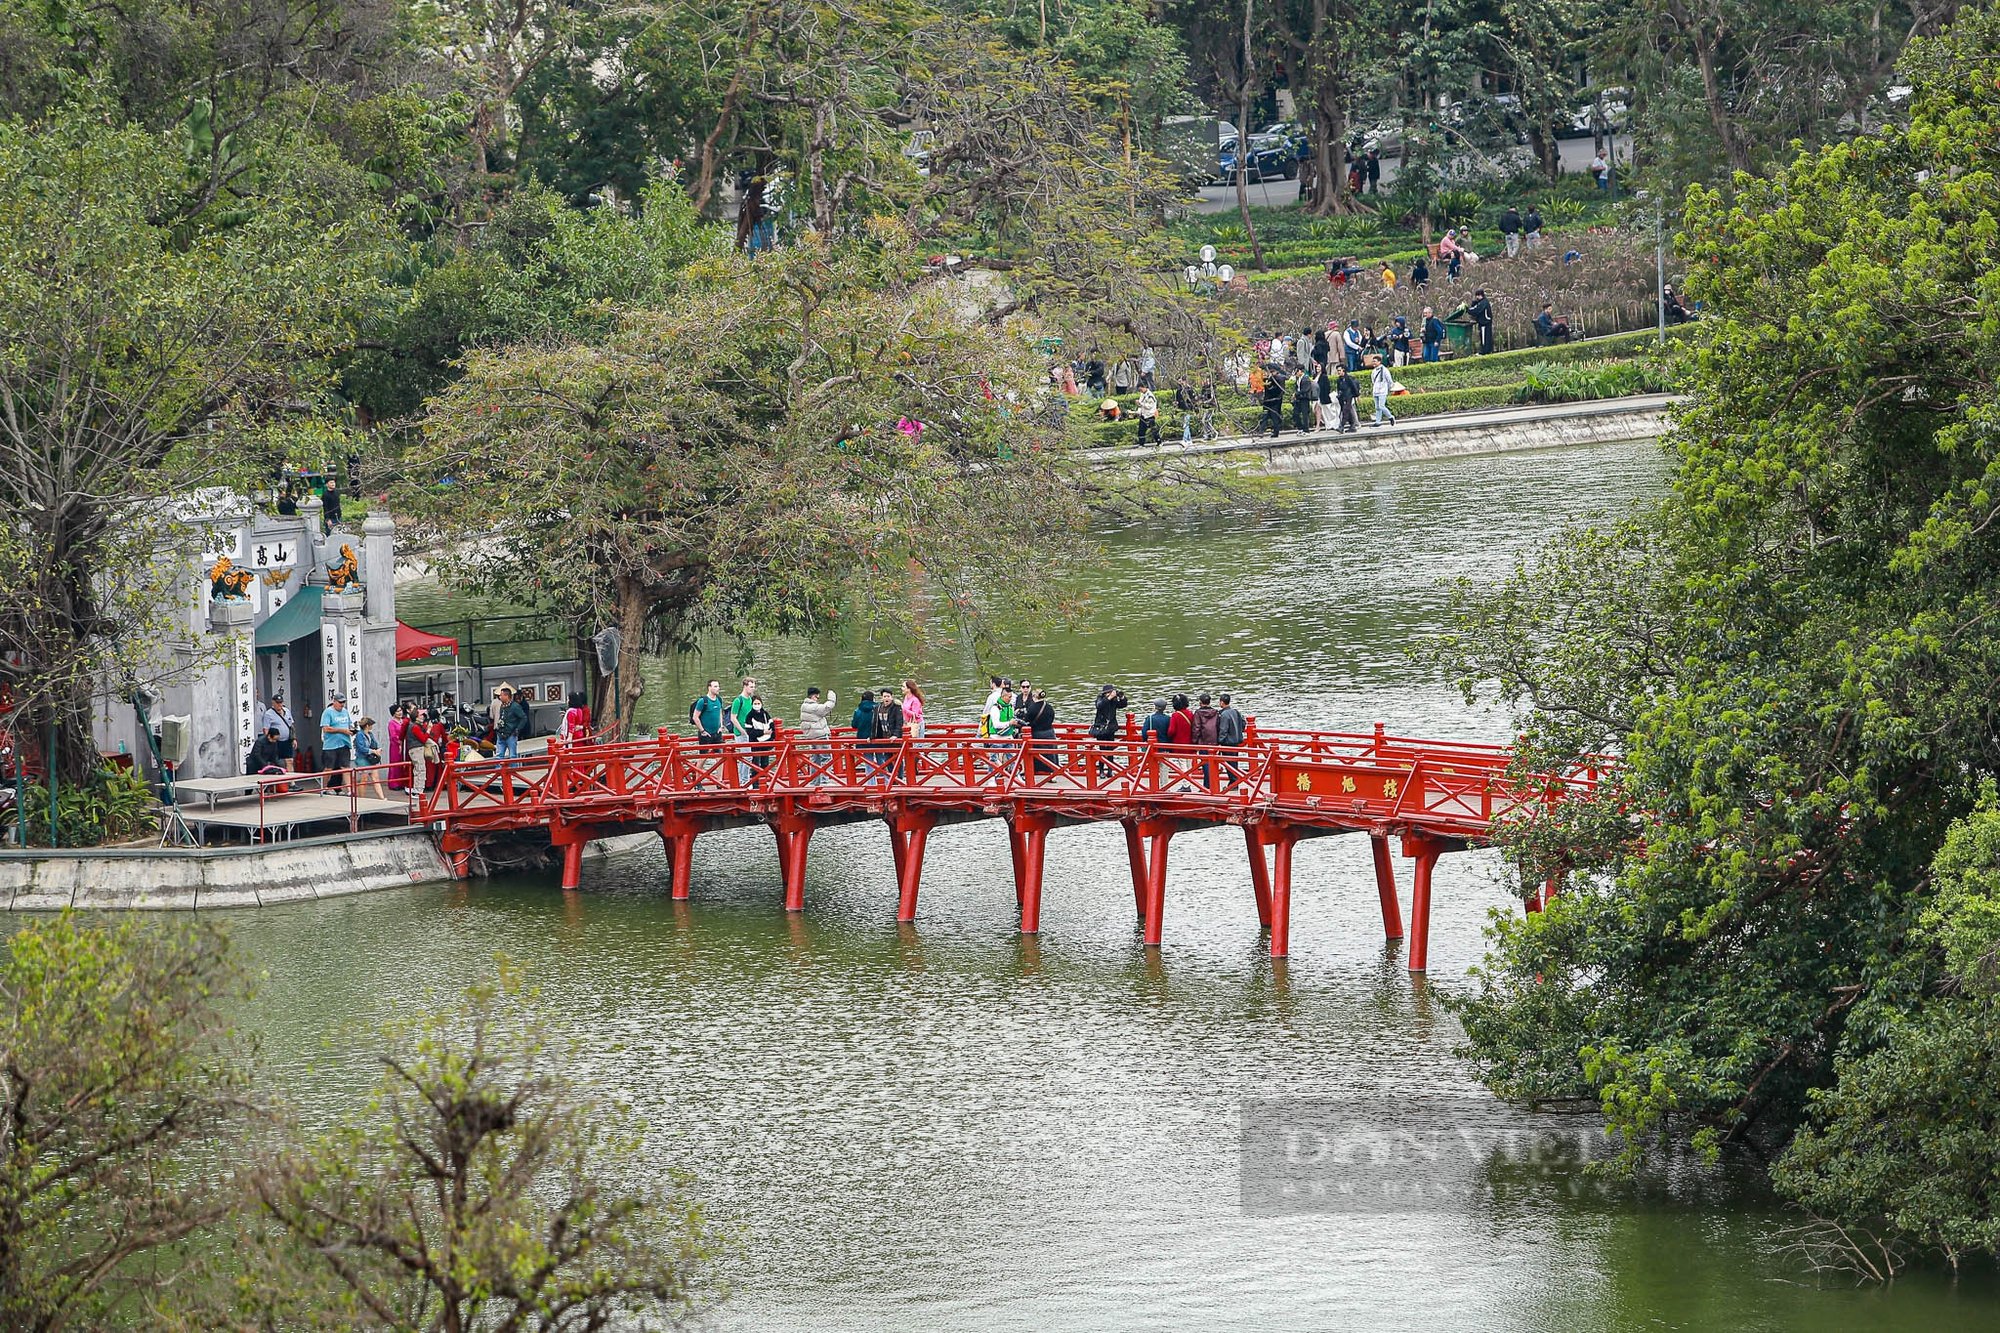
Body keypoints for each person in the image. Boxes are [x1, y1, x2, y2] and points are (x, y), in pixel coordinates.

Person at [1089, 684, 1129, 779]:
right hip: (1101, 728)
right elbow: (1099, 706)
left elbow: (1123, 705)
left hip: (1110, 728)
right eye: (1109, 692)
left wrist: (1122, 697)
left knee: (1110, 750)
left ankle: (1110, 770)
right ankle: (1101, 771)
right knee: (1102, 750)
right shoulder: (1100, 699)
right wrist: (1109, 698)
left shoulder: (1114, 700)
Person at [798, 686, 836, 784]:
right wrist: (832, 698)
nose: (817, 700)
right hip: (820, 735)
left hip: (811, 736)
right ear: (814, 696)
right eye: (817, 697)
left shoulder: (803, 706)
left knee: (815, 759)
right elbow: (826, 707)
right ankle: (825, 781)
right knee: (826, 758)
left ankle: (814, 781)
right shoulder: (813, 707)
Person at [1017, 687, 1057, 776]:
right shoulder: (1049, 707)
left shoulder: (1032, 708)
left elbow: (1027, 721)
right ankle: (1052, 772)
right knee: (1051, 754)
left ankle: (1035, 771)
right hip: (1050, 732)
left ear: (1034, 696)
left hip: (1037, 733)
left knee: (1038, 753)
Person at [319, 690, 354, 789]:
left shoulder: (345, 711)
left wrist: (351, 730)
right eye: (340, 702)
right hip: (331, 745)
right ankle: (324, 788)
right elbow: (326, 728)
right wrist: (342, 730)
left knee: (345, 767)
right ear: (334, 701)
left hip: (344, 743)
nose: (342, 704)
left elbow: (349, 724)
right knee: (329, 768)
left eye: (343, 702)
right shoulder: (328, 712)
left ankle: (349, 789)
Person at [1191, 692, 1222, 788]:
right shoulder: (1216, 712)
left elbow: (1196, 728)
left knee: (1205, 763)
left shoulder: (1198, 713)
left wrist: (1194, 741)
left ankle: (1208, 785)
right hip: (1214, 741)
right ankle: (1212, 784)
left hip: (1203, 741)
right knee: (1213, 763)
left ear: (1200, 702)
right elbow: (1218, 726)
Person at [1216, 691, 1248, 785]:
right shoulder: (1235, 711)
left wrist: (1220, 741)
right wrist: (1239, 731)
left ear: (1222, 702)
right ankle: (1235, 781)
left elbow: (1223, 729)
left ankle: (1233, 782)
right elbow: (1243, 722)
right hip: (1236, 740)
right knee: (1234, 762)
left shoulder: (1224, 715)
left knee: (1229, 763)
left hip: (1228, 742)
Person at [353, 716, 388, 797]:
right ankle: (362, 798)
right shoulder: (359, 735)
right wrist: (373, 751)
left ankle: (382, 797)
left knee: (376, 779)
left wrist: (377, 749)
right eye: (371, 725)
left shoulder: (370, 734)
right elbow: (361, 748)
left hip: (370, 758)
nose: (372, 726)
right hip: (362, 759)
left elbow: (374, 744)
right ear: (367, 725)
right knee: (364, 779)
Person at [494, 685, 529, 761]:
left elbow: (523, 718)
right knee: (499, 756)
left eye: (501, 695)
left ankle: (513, 771)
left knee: (512, 756)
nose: (500, 697)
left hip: (511, 734)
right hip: (501, 733)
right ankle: (499, 771)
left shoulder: (515, 706)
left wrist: (517, 729)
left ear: (507, 696)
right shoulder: (502, 706)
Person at [261, 692, 295, 766]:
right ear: (273, 703)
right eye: (277, 703)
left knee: (290, 761)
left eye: (281, 702)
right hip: (276, 741)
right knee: (277, 762)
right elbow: (266, 729)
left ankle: (291, 776)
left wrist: (294, 738)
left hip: (287, 740)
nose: (280, 705)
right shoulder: (268, 714)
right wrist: (268, 742)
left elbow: (291, 726)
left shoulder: (287, 711)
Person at [689, 679, 725, 745]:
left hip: (717, 733)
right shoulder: (703, 701)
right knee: (704, 755)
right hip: (705, 735)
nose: (718, 688)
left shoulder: (719, 699)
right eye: (715, 686)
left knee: (719, 754)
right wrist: (702, 731)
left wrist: (721, 726)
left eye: (718, 686)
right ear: (709, 688)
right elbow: (695, 717)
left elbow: (720, 713)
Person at [386, 702, 409, 789]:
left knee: (401, 763)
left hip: (403, 744)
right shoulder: (391, 723)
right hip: (395, 745)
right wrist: (399, 743)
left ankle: (401, 782)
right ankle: (394, 783)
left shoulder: (403, 721)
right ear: (393, 713)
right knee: (395, 763)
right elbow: (393, 736)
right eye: (397, 711)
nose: (400, 712)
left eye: (400, 710)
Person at [1370, 356, 1398, 426]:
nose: (1373, 363)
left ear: (1379, 362)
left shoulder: (1384, 370)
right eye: (1373, 361)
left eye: (1375, 361)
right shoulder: (1374, 371)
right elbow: (1373, 381)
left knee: (1381, 406)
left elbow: (1389, 380)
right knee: (1377, 407)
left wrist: (1390, 387)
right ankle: (1378, 421)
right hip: (1375, 390)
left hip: (1382, 390)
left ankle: (1390, 417)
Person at [1335, 363, 1362, 433]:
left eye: (1339, 370)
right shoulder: (1339, 380)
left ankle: (1342, 426)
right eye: (1337, 371)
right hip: (1342, 397)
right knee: (1348, 412)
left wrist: (1357, 395)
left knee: (1345, 411)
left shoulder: (1348, 378)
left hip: (1348, 397)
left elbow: (1354, 387)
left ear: (1343, 370)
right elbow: (1338, 389)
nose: (1338, 372)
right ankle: (1352, 426)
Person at [1467, 288, 1495, 355]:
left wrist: (1467, 310)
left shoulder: (1483, 303)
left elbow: (1476, 310)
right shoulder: (1482, 302)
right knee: (1486, 337)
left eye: (1477, 295)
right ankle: (1488, 350)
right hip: (1485, 322)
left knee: (1484, 338)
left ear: (1480, 295)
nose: (1476, 297)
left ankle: (1484, 351)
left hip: (1485, 323)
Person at [1260, 370, 1285, 437]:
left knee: (1274, 417)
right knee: (1264, 416)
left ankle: (1276, 432)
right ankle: (1261, 431)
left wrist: (1268, 384)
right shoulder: (1267, 379)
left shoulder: (1277, 379)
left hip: (1274, 401)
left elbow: (1276, 390)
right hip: (1267, 401)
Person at [1174, 379, 1198, 444]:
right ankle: (1189, 439)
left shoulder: (1189, 390)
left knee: (1186, 424)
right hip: (1182, 410)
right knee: (1185, 424)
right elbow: (1177, 401)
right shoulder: (1178, 391)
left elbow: (1193, 401)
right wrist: (1176, 409)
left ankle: (1184, 439)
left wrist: (1196, 410)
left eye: (1181, 381)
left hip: (1188, 409)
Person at [1290, 368, 1314, 433]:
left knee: (1305, 415)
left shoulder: (1306, 378)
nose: (1296, 374)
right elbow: (1297, 388)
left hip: (1304, 399)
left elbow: (1305, 390)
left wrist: (1296, 393)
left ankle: (1306, 430)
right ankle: (1300, 428)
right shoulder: (1298, 379)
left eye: (1297, 372)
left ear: (1300, 371)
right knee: (1295, 413)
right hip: (1299, 398)